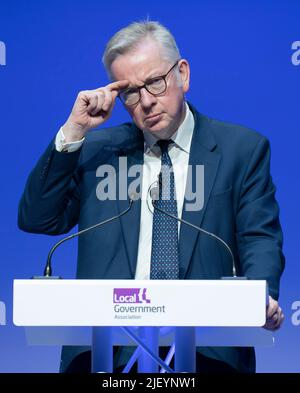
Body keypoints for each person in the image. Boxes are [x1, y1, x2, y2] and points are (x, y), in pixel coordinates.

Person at [18, 20, 285, 373]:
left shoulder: (242, 150)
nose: (145, 101)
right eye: (130, 91)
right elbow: (39, 218)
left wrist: (258, 296)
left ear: (183, 75)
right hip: (106, 357)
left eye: (155, 83)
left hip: (208, 355)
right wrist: (74, 131)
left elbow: (258, 237)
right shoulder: (98, 151)